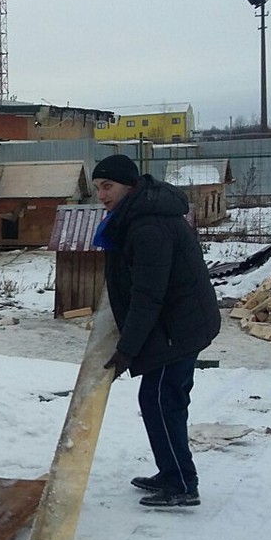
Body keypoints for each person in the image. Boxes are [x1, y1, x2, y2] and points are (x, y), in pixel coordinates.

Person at [91, 153, 221, 508]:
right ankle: (172, 472)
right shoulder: (137, 215)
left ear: (129, 185)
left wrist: (127, 350)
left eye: (108, 186)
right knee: (159, 400)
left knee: (163, 401)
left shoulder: (149, 226)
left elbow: (148, 295)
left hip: (177, 328)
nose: (101, 195)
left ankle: (181, 483)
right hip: (176, 323)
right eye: (98, 188)